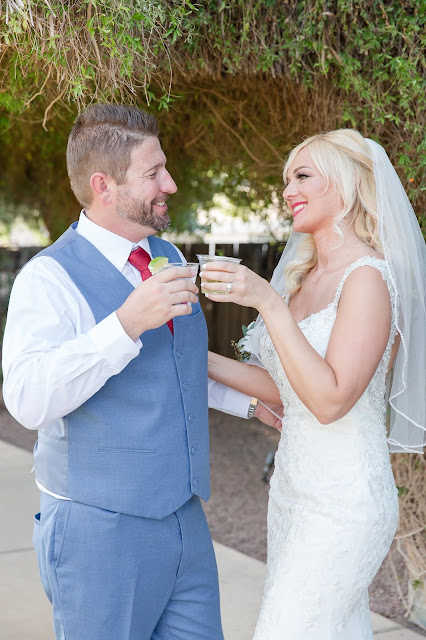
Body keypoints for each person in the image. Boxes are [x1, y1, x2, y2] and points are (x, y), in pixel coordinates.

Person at [2, 103, 281, 640]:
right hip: (98, 532)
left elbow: (176, 368)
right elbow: (27, 398)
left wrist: (250, 405)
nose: (170, 184)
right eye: (153, 173)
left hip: (185, 523)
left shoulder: (168, 255)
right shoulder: (48, 279)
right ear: (104, 186)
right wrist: (125, 325)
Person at [203, 129, 426, 639]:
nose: (287, 190)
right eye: (286, 179)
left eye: (302, 176)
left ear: (345, 187)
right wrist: (200, 361)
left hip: (345, 499)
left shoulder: (367, 278)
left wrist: (267, 302)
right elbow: (289, 388)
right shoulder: (304, 280)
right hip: (292, 491)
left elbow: (329, 401)